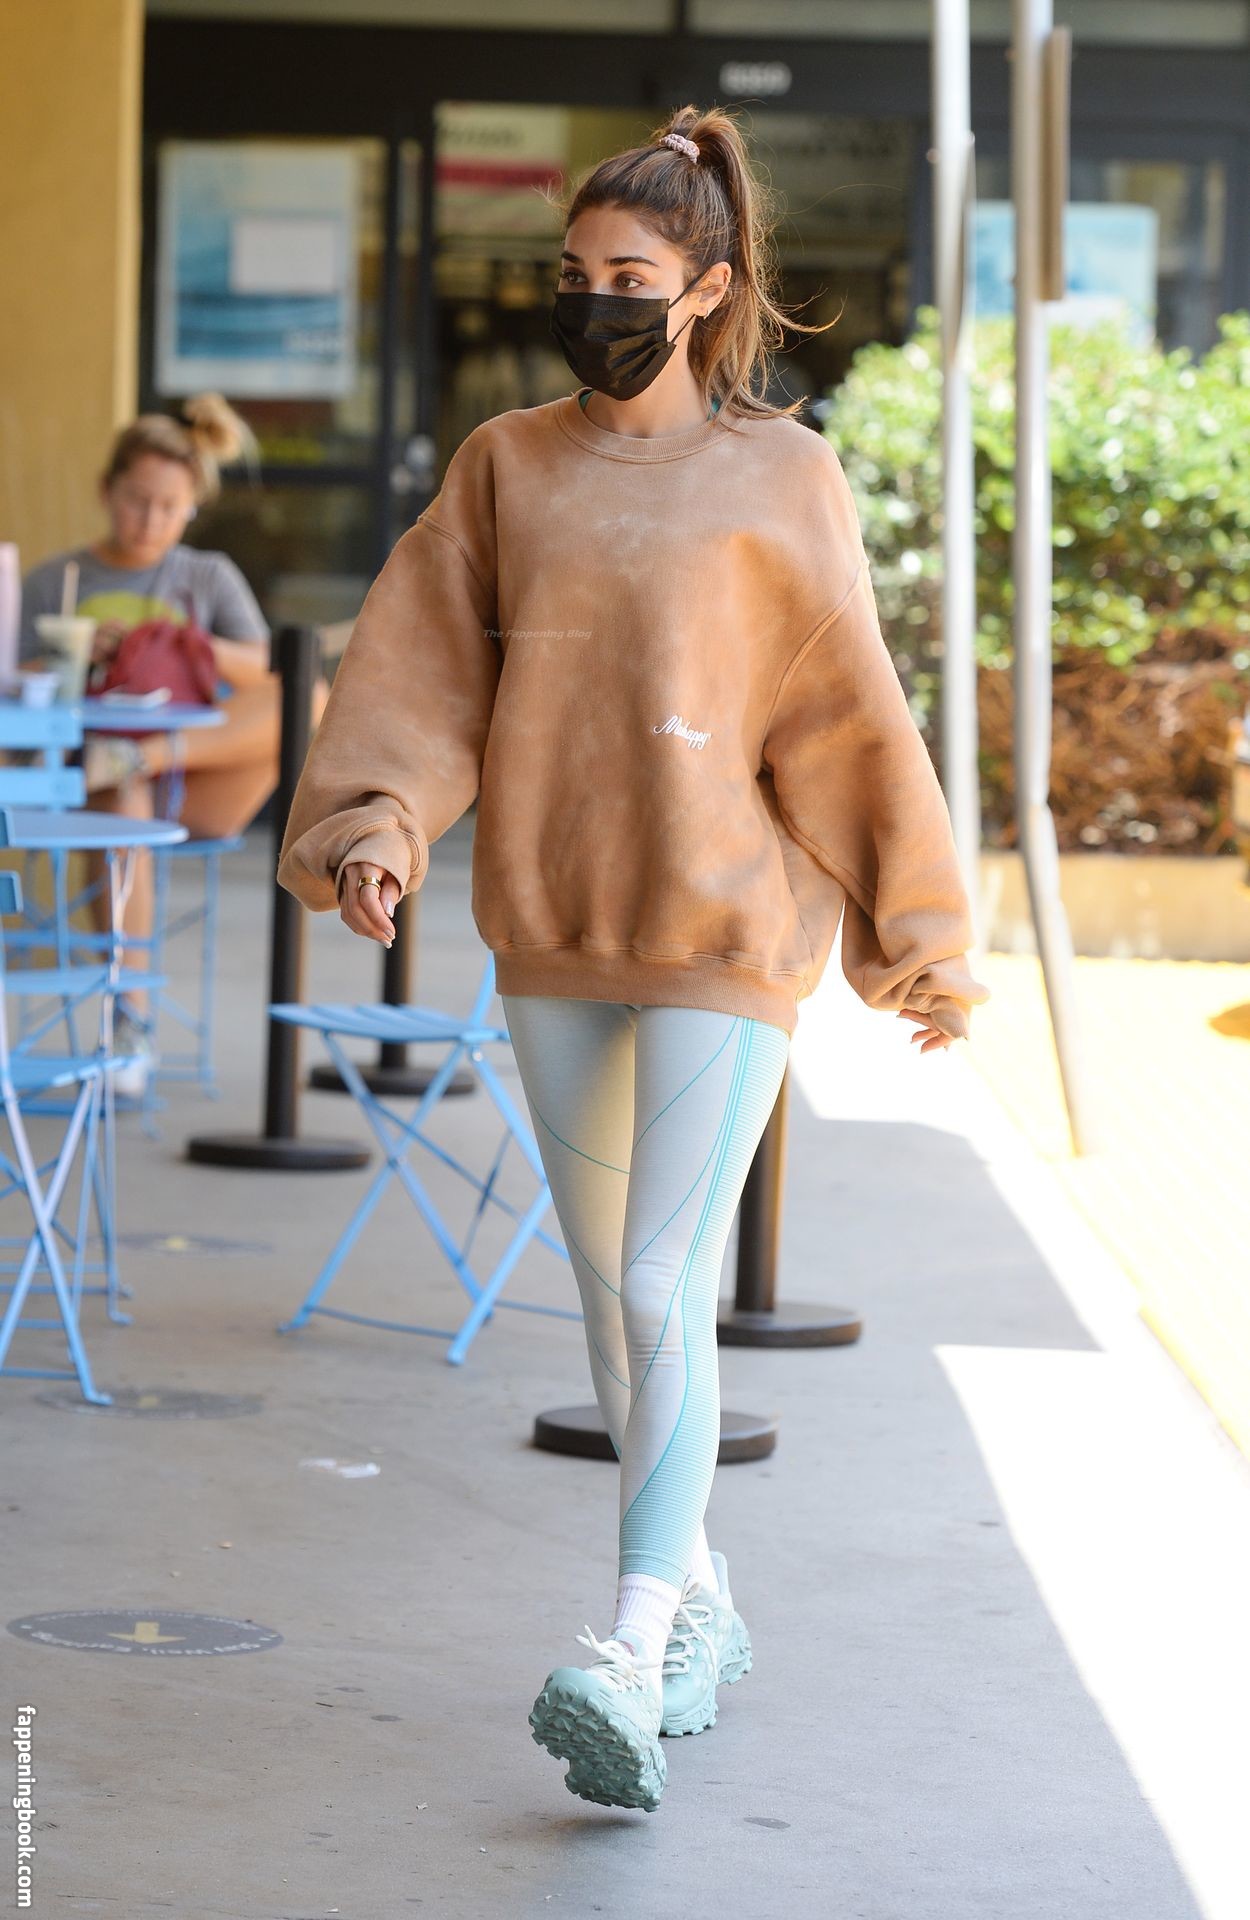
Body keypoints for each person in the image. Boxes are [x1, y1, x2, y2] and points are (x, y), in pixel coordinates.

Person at [275, 106, 991, 1814]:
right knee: (614, 1297)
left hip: (725, 941)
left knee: (663, 1283)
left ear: (707, 289)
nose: (593, 299)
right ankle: (705, 1611)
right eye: (574, 270)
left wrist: (921, 944)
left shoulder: (782, 477)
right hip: (551, 932)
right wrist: (379, 826)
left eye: (629, 274)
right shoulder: (505, 466)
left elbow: (849, 720)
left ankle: (628, 1635)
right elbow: (420, 676)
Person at [19, 393, 325, 1093]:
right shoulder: (56, 581)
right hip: (94, 785)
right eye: (138, 501)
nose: (151, 519)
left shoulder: (204, 576)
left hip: (194, 782)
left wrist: (194, 645)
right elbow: (15, 684)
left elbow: (271, 672)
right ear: (106, 491)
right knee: (120, 800)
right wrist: (77, 657)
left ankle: (145, 757)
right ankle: (131, 1021)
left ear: (192, 508)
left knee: (308, 698)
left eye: (170, 507)